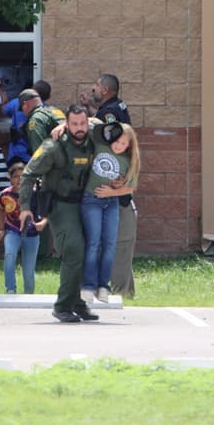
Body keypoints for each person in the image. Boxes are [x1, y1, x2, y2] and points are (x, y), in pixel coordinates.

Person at [20, 105, 99, 323]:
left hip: (86, 203)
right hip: (60, 205)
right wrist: (25, 208)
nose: (79, 128)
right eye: (74, 124)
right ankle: (63, 305)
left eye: (83, 123)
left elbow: (115, 128)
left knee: (89, 253)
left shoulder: (95, 137)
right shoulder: (52, 146)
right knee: (74, 250)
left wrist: (92, 123)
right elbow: (28, 174)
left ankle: (79, 303)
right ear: (67, 124)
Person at [80, 122, 140, 304]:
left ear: (129, 145)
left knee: (115, 248)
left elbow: (129, 189)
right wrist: (60, 127)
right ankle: (90, 287)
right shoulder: (101, 146)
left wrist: (112, 192)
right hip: (93, 201)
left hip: (116, 204)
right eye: (117, 140)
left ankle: (112, 290)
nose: (119, 145)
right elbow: (89, 124)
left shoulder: (129, 161)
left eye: (124, 143)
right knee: (94, 245)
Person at [0, 161, 47, 294]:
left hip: (32, 234)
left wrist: (43, 223)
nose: (19, 180)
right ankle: (10, 289)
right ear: (10, 178)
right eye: (16, 176)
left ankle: (29, 294)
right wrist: (2, 228)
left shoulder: (35, 193)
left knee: (29, 269)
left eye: (23, 176)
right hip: (12, 232)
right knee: (9, 256)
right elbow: (1, 210)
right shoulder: (5, 194)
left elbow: (47, 211)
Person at [23, 86, 66, 155]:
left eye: (22, 108)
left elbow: (39, 152)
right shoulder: (54, 110)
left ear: (25, 104)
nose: (23, 112)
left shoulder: (35, 119)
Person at [2, 89, 33, 166]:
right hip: (31, 156)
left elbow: (4, 110)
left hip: (17, 152)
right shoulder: (43, 106)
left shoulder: (16, 102)